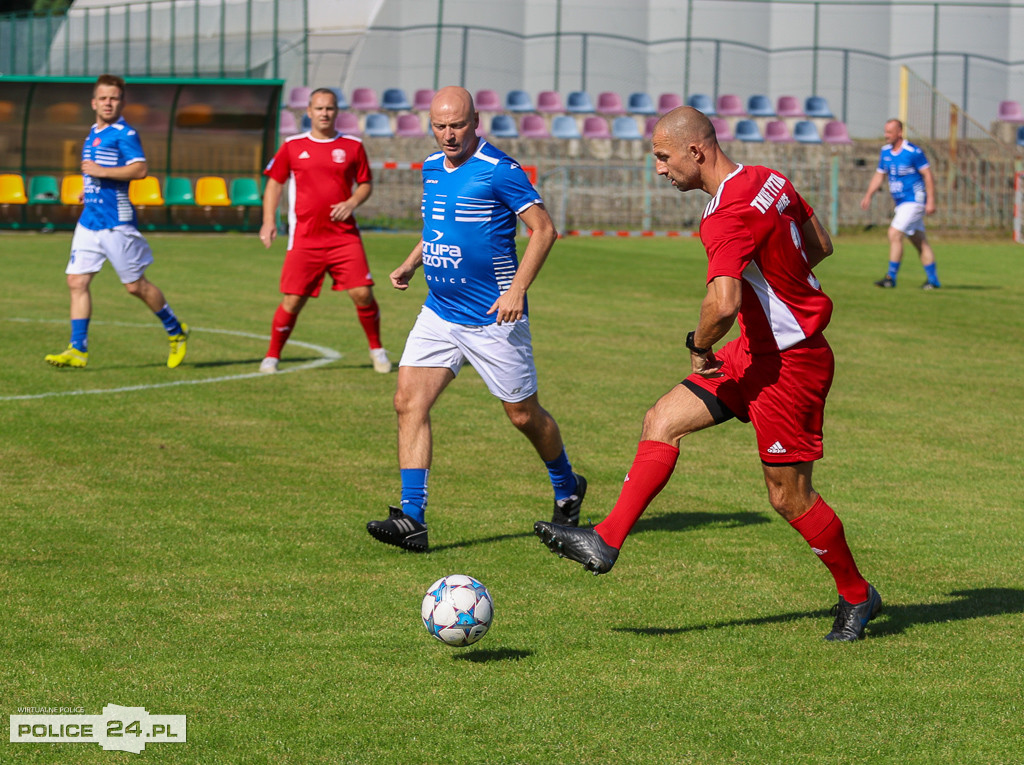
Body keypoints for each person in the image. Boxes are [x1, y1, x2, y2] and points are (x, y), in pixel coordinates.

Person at [535, 106, 882, 642]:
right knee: (662, 418)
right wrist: (784, 286)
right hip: (755, 351)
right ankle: (605, 540)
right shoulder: (769, 179)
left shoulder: (722, 216)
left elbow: (722, 303)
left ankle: (859, 596)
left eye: (663, 156)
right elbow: (820, 244)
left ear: (696, 151)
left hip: (791, 366)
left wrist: (698, 345)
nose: (659, 168)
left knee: (788, 497)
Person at [366, 86, 585, 553]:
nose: (448, 134)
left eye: (458, 125)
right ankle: (413, 518)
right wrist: (412, 262)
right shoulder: (429, 167)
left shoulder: (499, 171)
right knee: (408, 403)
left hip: (492, 319)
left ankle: (567, 484)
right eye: (440, 126)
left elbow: (544, 229)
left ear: (476, 121)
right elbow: (438, 229)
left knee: (523, 415)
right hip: (439, 312)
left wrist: (517, 289)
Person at [45, 74, 189, 369]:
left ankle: (176, 331)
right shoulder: (92, 131)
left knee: (135, 287)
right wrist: (90, 191)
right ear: (94, 102)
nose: (108, 103)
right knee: (76, 281)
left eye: (114, 98)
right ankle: (77, 349)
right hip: (90, 221)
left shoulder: (126, 134)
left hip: (116, 223)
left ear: (121, 102)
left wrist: (101, 172)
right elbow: (98, 174)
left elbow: (140, 170)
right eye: (103, 98)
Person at [258, 87, 391, 374]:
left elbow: (366, 183)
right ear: (308, 112)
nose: (324, 113)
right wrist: (269, 220)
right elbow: (274, 184)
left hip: (344, 237)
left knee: (363, 294)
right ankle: (272, 355)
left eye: (329, 108)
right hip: (305, 239)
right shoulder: (292, 146)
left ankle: (377, 349)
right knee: (293, 300)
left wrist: (353, 201)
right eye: (319, 108)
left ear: (337, 112)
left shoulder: (353, 146)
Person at [860, 118, 941, 290]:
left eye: (889, 132)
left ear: (900, 132)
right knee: (919, 241)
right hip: (902, 203)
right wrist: (868, 195)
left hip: (914, 201)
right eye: (885, 131)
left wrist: (931, 200)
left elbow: (927, 175)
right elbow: (879, 175)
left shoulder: (913, 152)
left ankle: (891, 277)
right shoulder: (885, 152)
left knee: (894, 233)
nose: (885, 135)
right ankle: (933, 280)